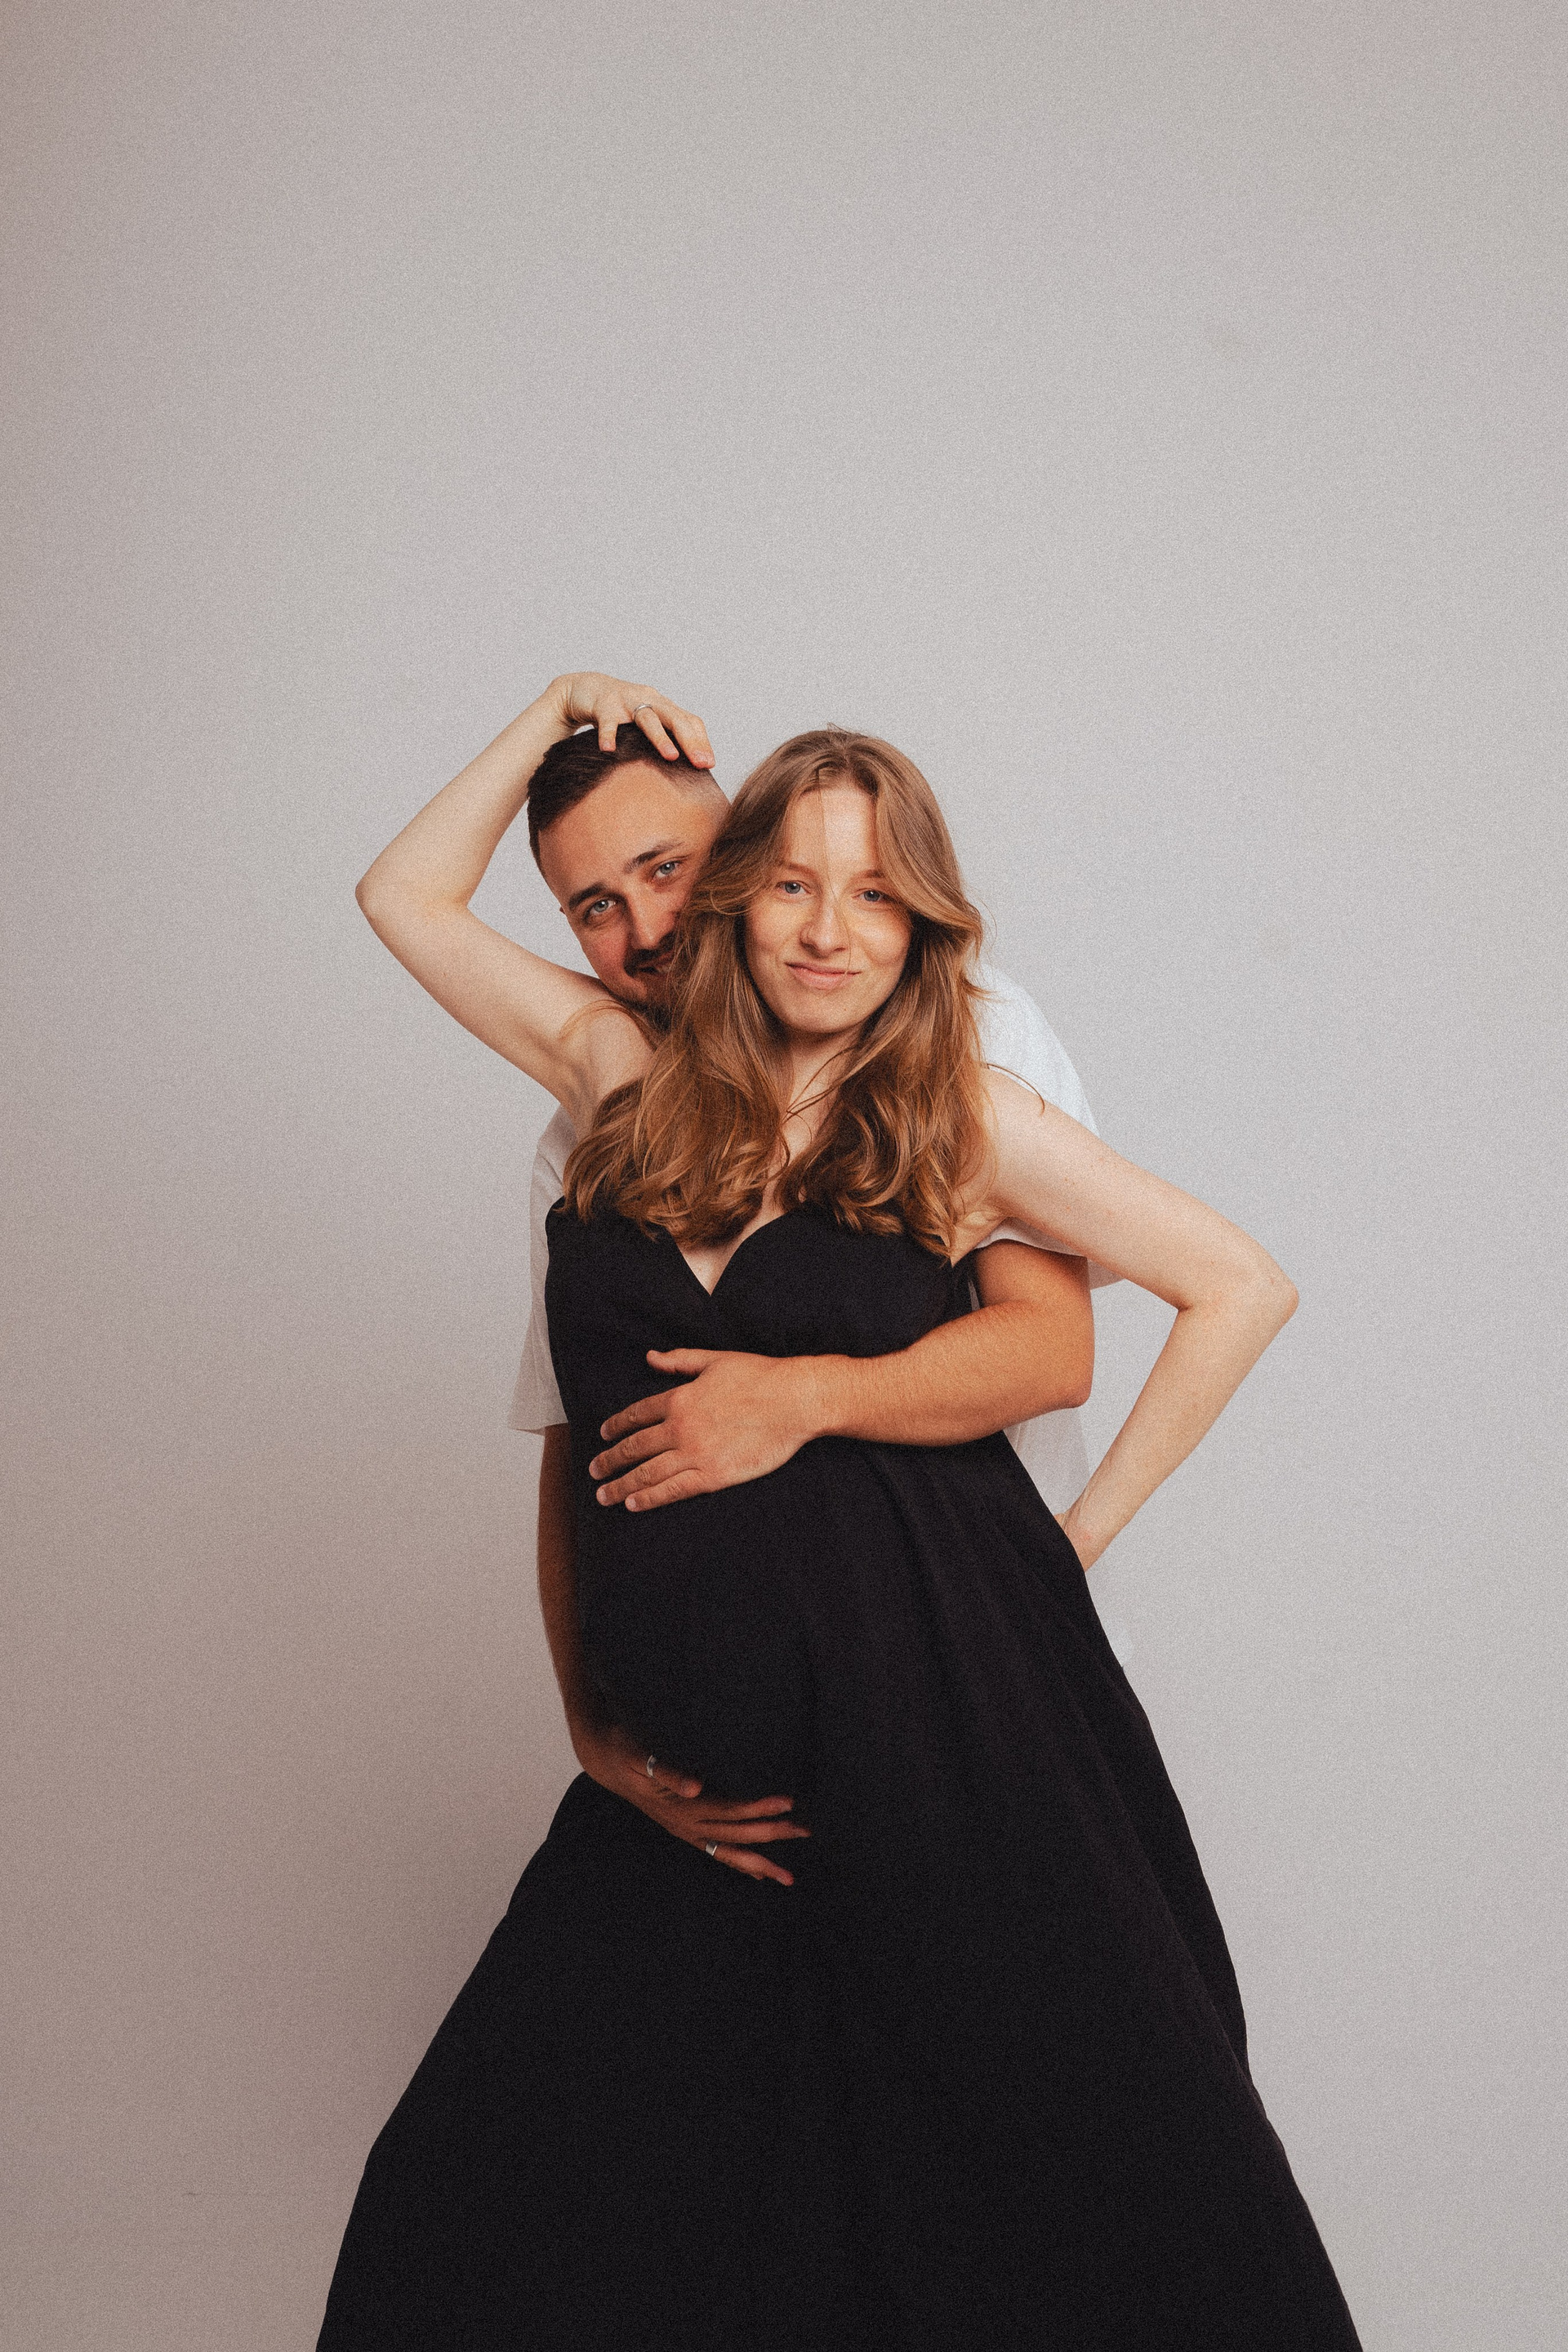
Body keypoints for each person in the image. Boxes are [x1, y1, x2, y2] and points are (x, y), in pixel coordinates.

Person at [320, 677, 1361, 2349]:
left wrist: (1061, 1550)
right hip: (709, 1787)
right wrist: (550, 709)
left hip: (947, 1726)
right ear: (753, 896)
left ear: (918, 922)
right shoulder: (612, 1082)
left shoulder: (956, 1104)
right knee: (481, 2200)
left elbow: (1235, 1288)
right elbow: (401, 900)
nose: (827, 928)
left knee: (1092, 2171)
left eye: (874, 894)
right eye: (795, 887)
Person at [506, 679, 1110, 1877]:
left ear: (743, 857)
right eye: (595, 907)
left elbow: (1054, 1344)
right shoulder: (592, 1126)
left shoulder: (967, 1041)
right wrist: (589, 1721)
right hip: (708, 1778)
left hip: (956, 1681)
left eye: (668, 870)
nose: (648, 929)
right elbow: (585, 1436)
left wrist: (800, 1398)